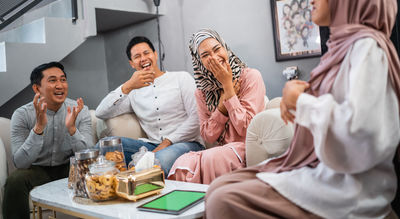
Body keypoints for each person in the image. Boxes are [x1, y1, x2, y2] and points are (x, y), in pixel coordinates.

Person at [205, 0, 400, 219]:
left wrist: (300, 100)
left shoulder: (365, 47)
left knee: (221, 198)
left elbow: (363, 134)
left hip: (348, 187)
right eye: (203, 56)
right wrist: (304, 96)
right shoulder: (342, 49)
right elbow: (206, 134)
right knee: (220, 186)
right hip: (328, 172)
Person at [168, 29, 266, 184]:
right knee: (182, 163)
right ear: (199, 62)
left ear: (225, 47)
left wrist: (228, 87)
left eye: (217, 49)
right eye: (205, 55)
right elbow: (208, 136)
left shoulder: (250, 77)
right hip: (222, 152)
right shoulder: (202, 92)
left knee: (211, 157)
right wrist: (221, 108)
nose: (213, 58)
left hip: (248, 148)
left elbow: (246, 127)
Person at [95, 36, 204, 176]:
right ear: (132, 63)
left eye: (147, 53)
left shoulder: (181, 78)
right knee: (104, 146)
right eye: (137, 56)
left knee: (157, 161)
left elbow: (197, 118)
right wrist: (127, 86)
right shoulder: (133, 92)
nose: (143, 58)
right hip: (152, 146)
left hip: (187, 143)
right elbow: (100, 112)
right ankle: (107, 189)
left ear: (155, 55)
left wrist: (167, 143)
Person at [2, 62, 93, 219]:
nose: (60, 85)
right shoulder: (22, 114)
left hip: (69, 167)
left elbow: (89, 158)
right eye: (52, 80)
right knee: (15, 181)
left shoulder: (79, 111)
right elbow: (20, 163)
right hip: (37, 169)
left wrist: (72, 130)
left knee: (96, 173)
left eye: (63, 80)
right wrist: (38, 128)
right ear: (37, 89)